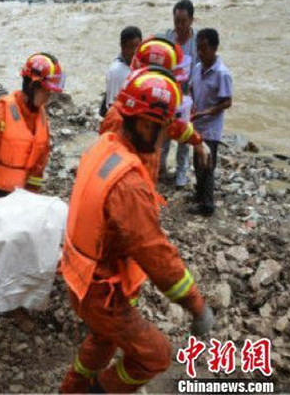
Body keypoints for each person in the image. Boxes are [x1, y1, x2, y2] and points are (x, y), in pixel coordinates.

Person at [60, 67, 214, 394]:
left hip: (80, 274)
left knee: (102, 339)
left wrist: (195, 140)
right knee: (155, 356)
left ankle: (72, 388)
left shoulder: (107, 143)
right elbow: (156, 254)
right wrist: (196, 305)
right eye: (162, 129)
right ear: (145, 125)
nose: (165, 137)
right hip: (100, 290)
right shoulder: (128, 186)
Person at [101, 37, 210, 182]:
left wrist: (198, 142)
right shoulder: (119, 118)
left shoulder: (144, 110)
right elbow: (110, 172)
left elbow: (175, 126)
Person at [0, 52, 64, 198]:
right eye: (46, 91)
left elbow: (40, 162)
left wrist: (32, 196)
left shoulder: (41, 117)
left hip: (24, 196)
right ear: (31, 85)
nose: (48, 97)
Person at [189, 28, 233, 216]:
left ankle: (207, 205)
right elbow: (191, 88)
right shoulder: (198, 68)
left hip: (211, 128)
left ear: (214, 48)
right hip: (197, 124)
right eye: (198, 48)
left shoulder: (222, 73)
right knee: (198, 162)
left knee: (207, 165)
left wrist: (206, 112)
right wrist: (191, 106)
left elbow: (227, 102)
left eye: (204, 49)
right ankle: (199, 196)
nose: (200, 53)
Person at [160, 0, 199, 187]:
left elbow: (200, 71)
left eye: (183, 21)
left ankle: (181, 172)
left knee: (184, 136)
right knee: (164, 134)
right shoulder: (167, 39)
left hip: (187, 97)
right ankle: (160, 168)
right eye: (177, 21)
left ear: (191, 20)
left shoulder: (197, 42)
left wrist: (195, 100)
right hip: (167, 95)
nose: (180, 26)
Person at [101, 26, 142, 115]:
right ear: (122, 47)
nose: (134, 51)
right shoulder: (116, 71)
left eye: (137, 46)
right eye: (130, 47)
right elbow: (113, 105)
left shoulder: (141, 65)